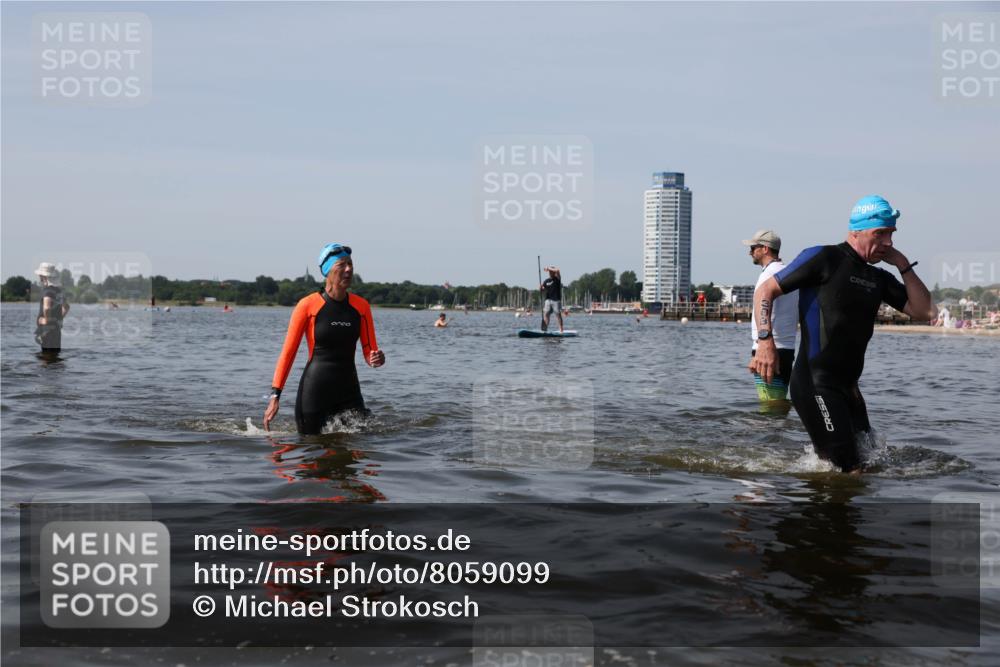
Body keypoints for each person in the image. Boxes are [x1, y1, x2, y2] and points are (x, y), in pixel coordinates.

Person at [752, 195, 936, 472]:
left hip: (849, 389)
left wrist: (903, 264)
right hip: (816, 384)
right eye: (880, 233)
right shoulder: (825, 258)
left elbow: (926, 312)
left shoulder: (878, 278)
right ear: (856, 231)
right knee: (850, 470)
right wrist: (765, 342)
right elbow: (766, 290)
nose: (888, 242)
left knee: (870, 462)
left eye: (891, 234)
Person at [264, 243, 386, 434]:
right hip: (315, 392)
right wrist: (275, 395)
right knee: (312, 451)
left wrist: (376, 359)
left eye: (351, 264)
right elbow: (288, 353)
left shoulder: (361, 306)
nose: (349, 269)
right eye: (342, 265)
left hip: (349, 392)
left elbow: (370, 351)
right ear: (328, 270)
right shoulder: (307, 305)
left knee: (364, 443)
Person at [743, 230, 798, 404]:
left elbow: (766, 310)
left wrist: (760, 346)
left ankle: (771, 432)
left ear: (765, 249)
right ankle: (779, 430)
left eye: (753, 247)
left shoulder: (768, 275)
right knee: (777, 400)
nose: (750, 252)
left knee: (770, 404)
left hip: (770, 348)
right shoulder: (789, 273)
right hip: (786, 348)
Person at [33, 262, 69, 354]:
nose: (39, 277)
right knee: (55, 356)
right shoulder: (59, 291)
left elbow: (47, 308)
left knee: (46, 357)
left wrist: (47, 321)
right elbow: (66, 307)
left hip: (47, 330)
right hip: (56, 329)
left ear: (44, 276)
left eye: (40, 275)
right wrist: (58, 320)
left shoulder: (47, 291)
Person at [540, 266, 564, 333]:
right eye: (550, 272)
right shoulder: (546, 281)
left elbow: (558, 270)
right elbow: (543, 289)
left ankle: (561, 329)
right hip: (548, 300)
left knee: (557, 314)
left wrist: (548, 268)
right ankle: (544, 329)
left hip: (556, 300)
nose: (550, 273)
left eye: (551, 271)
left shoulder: (557, 279)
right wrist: (541, 288)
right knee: (546, 313)